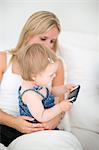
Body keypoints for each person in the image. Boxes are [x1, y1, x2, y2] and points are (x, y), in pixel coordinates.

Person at [0, 11, 81, 148]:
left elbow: (58, 102)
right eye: (43, 39)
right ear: (28, 34)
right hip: (6, 125)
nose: (48, 46)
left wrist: (51, 122)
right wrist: (14, 122)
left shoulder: (55, 65)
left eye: (52, 41)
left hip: (42, 127)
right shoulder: (4, 59)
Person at [17, 43, 73, 127]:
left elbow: (51, 92)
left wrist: (64, 88)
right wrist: (60, 107)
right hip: (35, 131)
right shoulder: (30, 94)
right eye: (50, 75)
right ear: (34, 76)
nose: (54, 76)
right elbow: (42, 116)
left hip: (47, 128)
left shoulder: (39, 84)